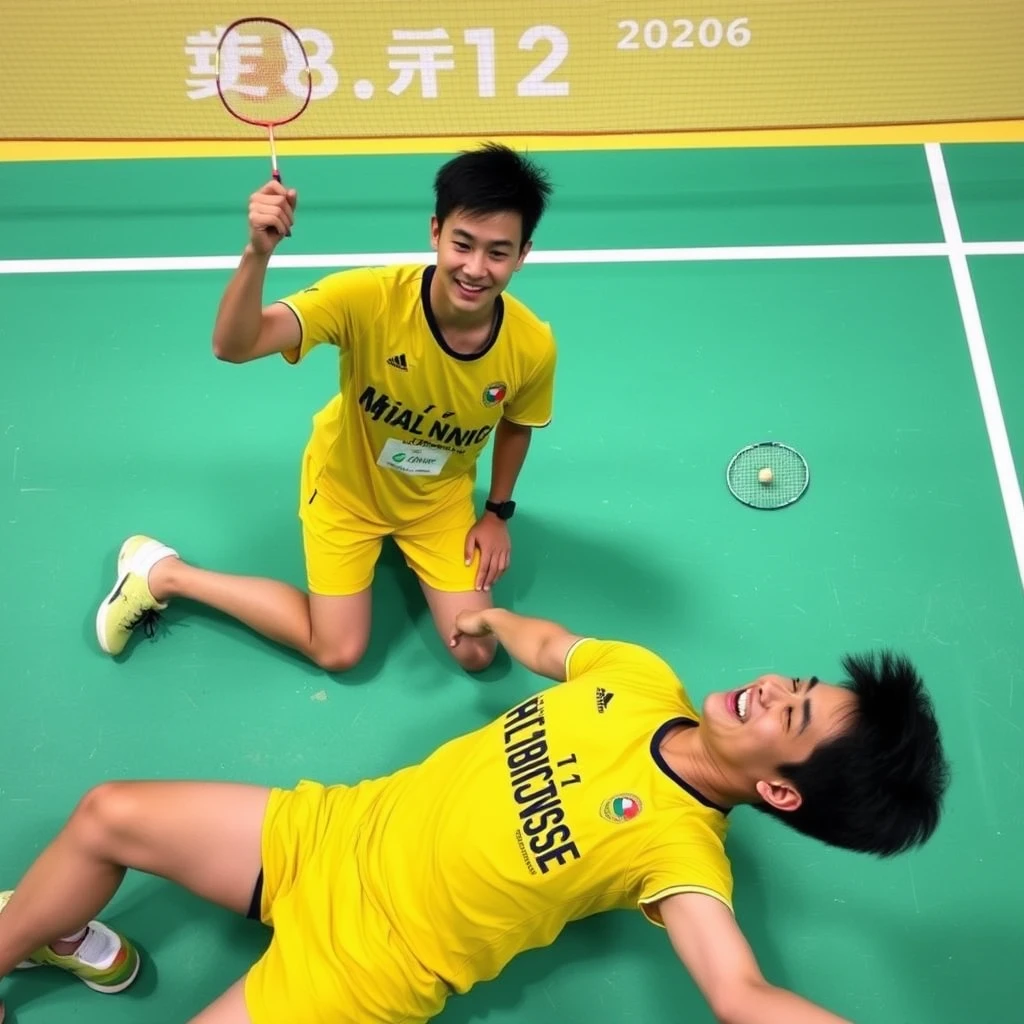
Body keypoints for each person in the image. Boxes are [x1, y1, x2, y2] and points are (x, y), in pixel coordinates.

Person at [0, 607, 950, 1024]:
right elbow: (556, 646)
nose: (776, 688)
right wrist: (495, 622)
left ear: (781, 791)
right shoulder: (641, 678)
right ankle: (35, 938)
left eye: (795, 716)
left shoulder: (681, 852)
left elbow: (742, 996)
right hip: (335, 834)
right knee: (106, 813)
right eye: (804, 683)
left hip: (365, 971)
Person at [94, 143, 557, 675]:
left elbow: (518, 423)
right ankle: (163, 574)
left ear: (523, 254)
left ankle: (416, 548)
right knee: (338, 651)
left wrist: (497, 513)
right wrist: (257, 252)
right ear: (435, 232)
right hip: (348, 491)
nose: (475, 268)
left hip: (437, 502)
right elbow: (234, 345)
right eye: (462, 244)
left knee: (476, 650)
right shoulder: (367, 298)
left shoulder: (531, 345)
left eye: (498, 252)